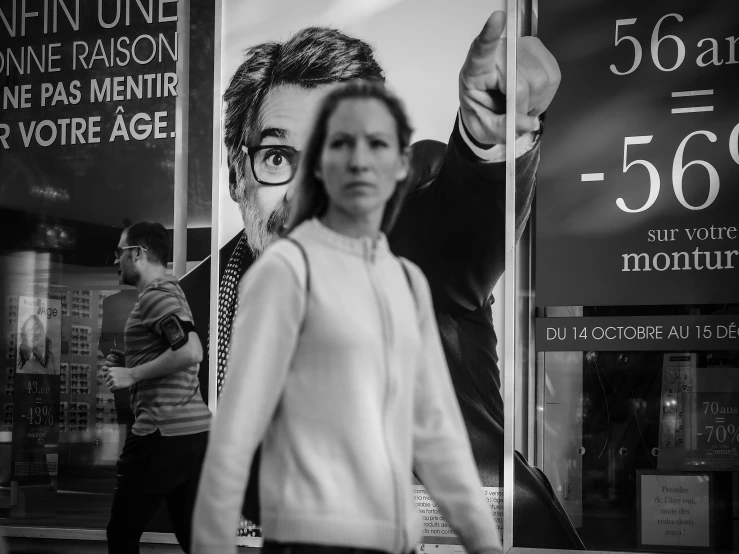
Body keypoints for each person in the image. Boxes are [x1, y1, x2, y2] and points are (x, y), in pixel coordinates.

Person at [181, 11, 583, 549]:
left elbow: (467, 217)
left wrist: (492, 137)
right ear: (237, 176)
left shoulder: (418, 248)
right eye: (278, 157)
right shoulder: (194, 308)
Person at [192, 80, 502, 554]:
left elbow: (437, 429)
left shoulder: (404, 280)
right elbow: (237, 429)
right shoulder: (283, 272)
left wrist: (485, 545)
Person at [104, 221, 212, 554]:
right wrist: (129, 359)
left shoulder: (155, 296)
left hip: (160, 433)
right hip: (193, 435)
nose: (115, 261)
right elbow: (174, 345)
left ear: (137, 254)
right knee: (194, 538)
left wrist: (132, 375)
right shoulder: (170, 292)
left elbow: (191, 350)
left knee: (121, 534)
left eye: (119, 252)